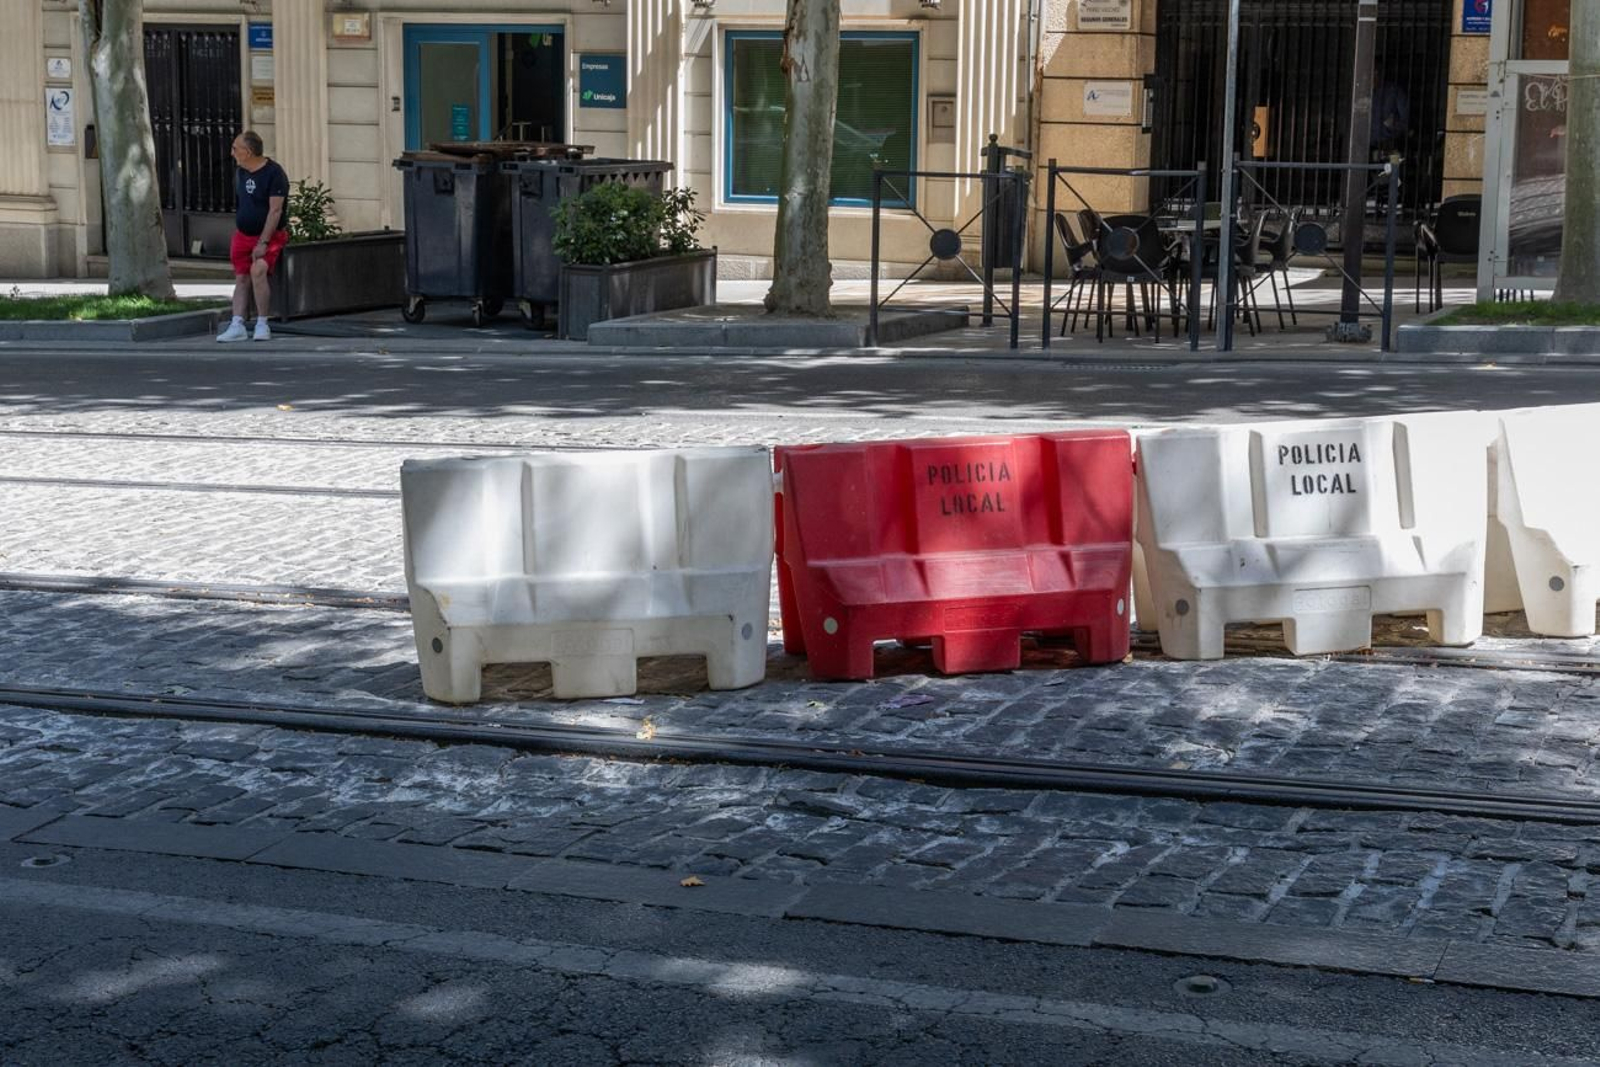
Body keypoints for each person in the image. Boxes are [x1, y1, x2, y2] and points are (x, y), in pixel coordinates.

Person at [216, 130, 289, 343]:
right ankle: (237, 323)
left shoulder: (274, 173)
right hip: (243, 235)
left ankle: (262, 323)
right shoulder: (241, 172)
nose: (232, 153)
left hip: (268, 236)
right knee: (241, 277)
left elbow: (275, 210)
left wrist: (263, 242)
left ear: (247, 152)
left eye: (235, 148)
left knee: (258, 271)